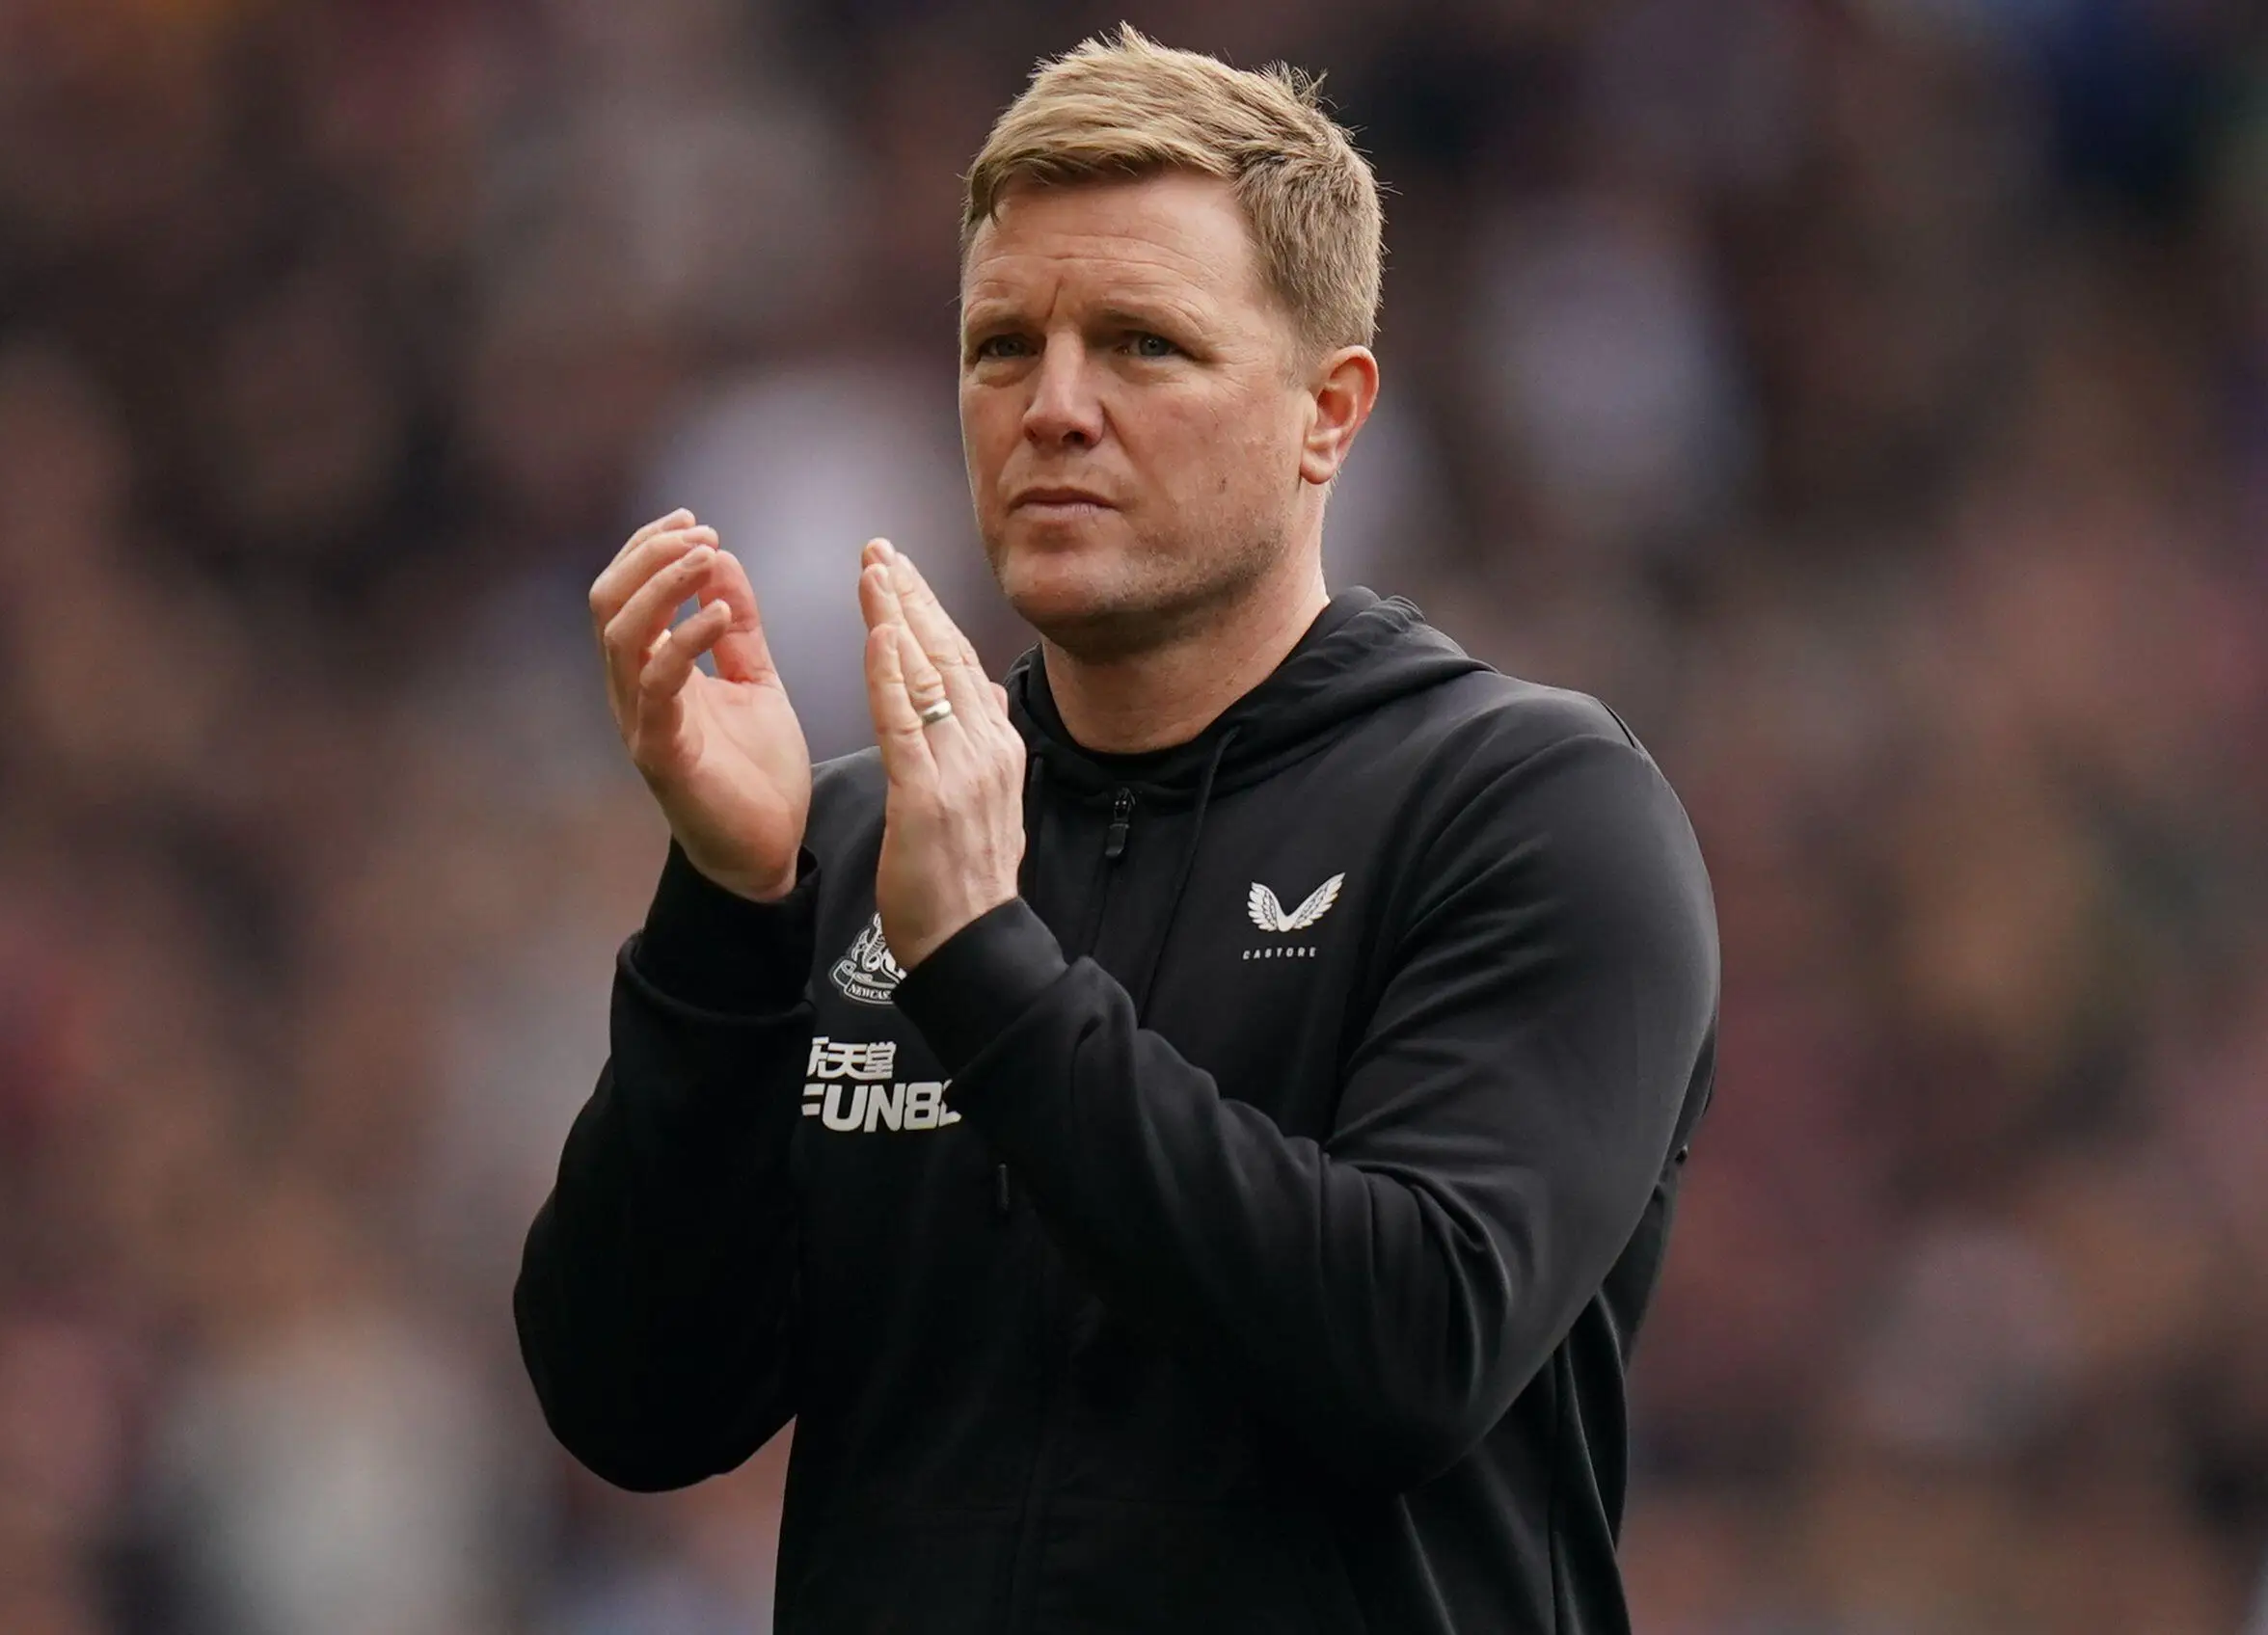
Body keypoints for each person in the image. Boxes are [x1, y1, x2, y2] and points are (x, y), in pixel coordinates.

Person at [516, 27, 1718, 1633]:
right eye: (1003, 344)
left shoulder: (1527, 810)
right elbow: (635, 1405)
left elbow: (1411, 1354)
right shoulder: (875, 839)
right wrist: (729, 913)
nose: (1055, 407)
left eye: (1143, 344)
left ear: (1328, 412)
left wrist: (992, 974)